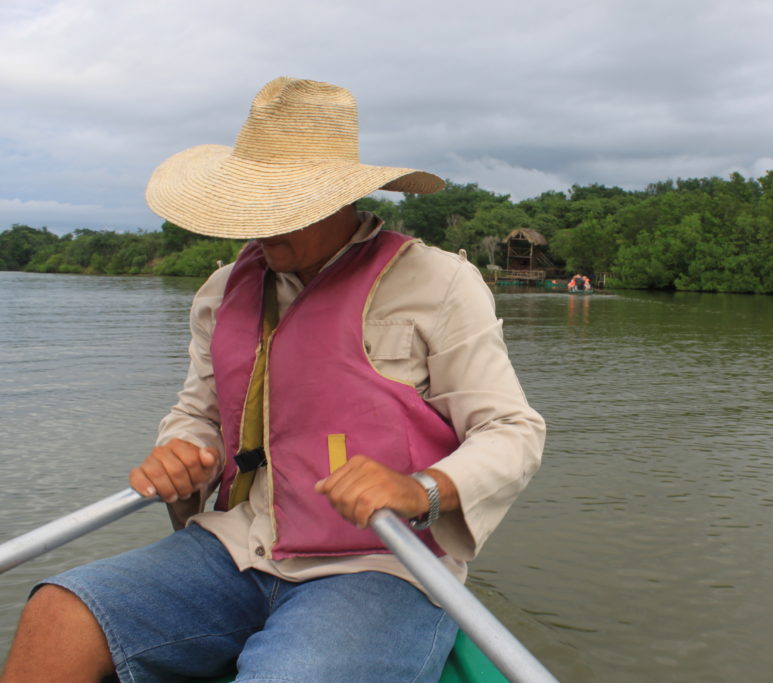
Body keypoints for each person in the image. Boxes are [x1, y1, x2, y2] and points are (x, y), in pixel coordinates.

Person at [1, 77, 545, 682]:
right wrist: (181, 452)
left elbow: (512, 430)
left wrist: (423, 489)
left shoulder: (438, 283)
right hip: (235, 545)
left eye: (285, 205)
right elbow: (199, 415)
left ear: (343, 199)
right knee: (58, 612)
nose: (262, 224)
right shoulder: (221, 291)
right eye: (254, 204)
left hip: (379, 561)